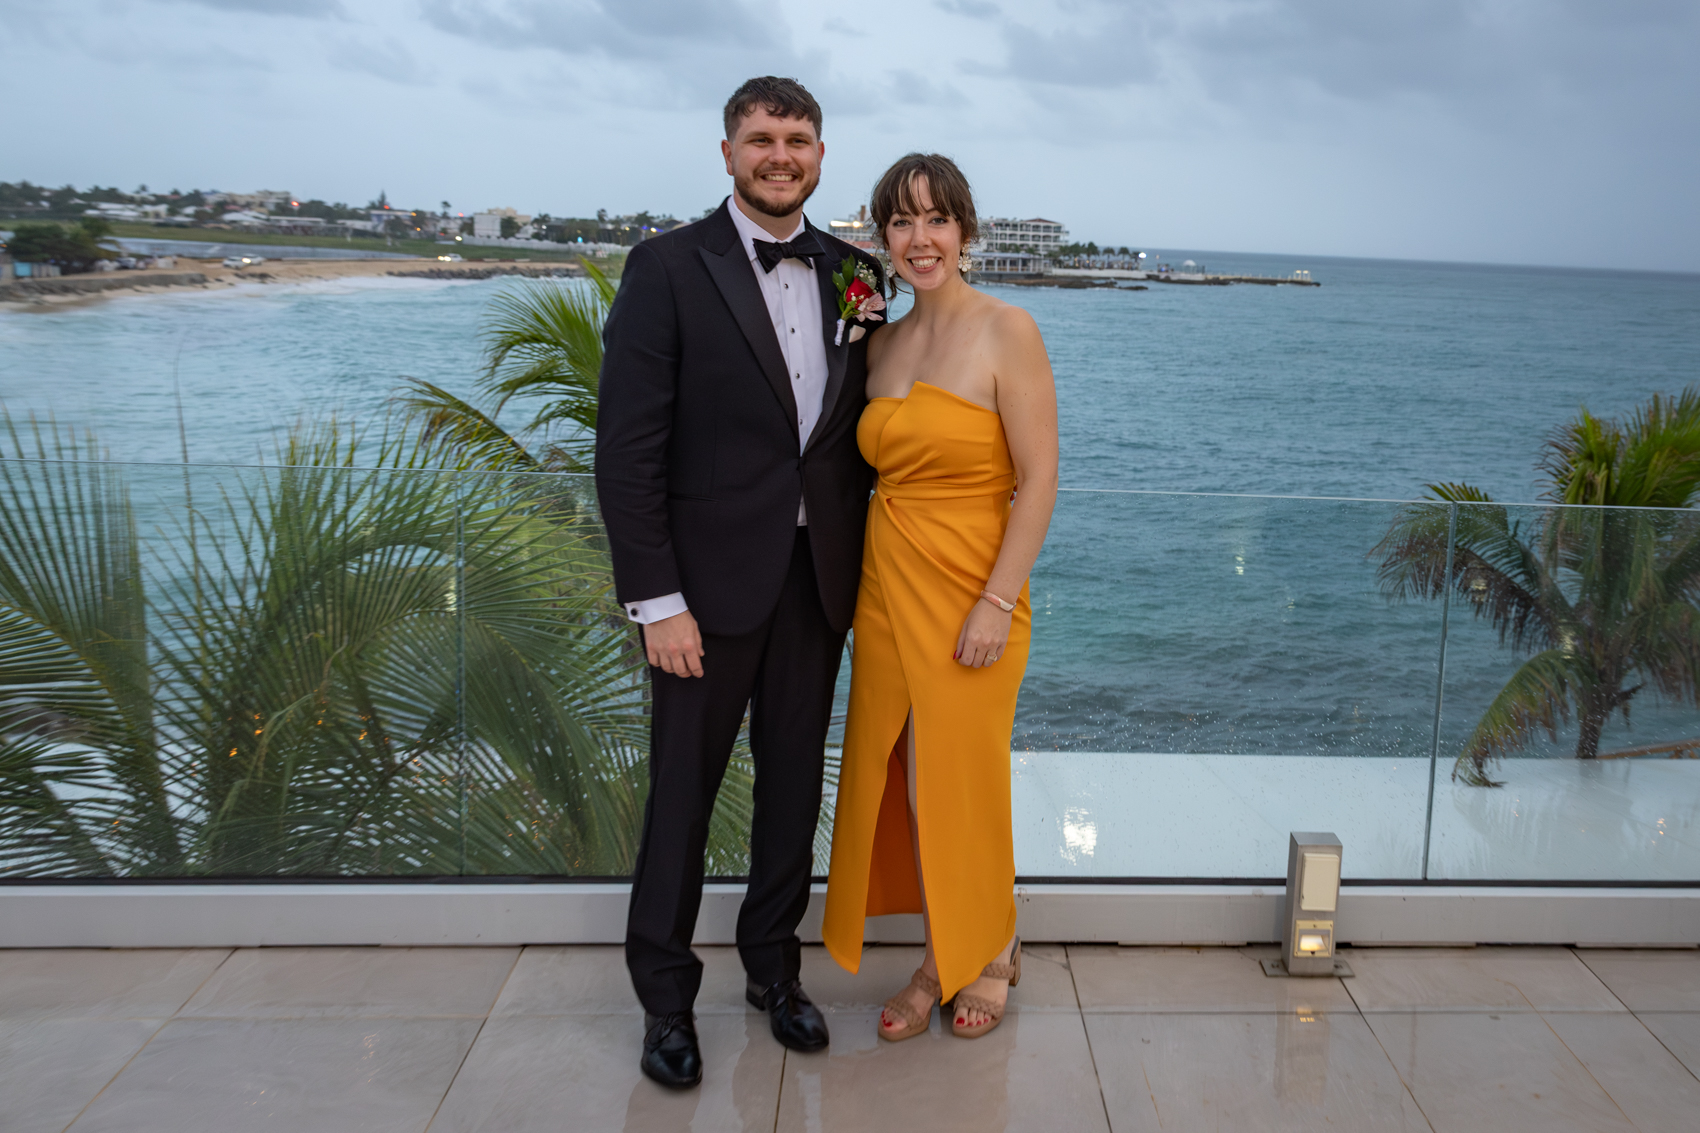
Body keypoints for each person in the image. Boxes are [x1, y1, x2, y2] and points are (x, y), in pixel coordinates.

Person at [594, 76, 883, 1090]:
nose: (780, 155)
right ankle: (665, 999)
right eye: (761, 138)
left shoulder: (854, 273)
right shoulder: (667, 266)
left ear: (820, 155)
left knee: (792, 790)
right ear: (727, 153)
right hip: (700, 599)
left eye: (797, 139)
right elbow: (627, 452)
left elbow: (854, 435)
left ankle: (774, 970)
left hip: (816, 584)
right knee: (681, 795)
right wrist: (657, 602)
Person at [821, 153, 1058, 1040]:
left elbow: (1039, 480)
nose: (919, 239)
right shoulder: (878, 343)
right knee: (903, 781)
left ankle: (970, 954)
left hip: (973, 591)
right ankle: (968, 939)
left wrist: (997, 601)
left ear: (965, 230)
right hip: (886, 589)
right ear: (882, 236)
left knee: (953, 780)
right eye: (901, 221)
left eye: (936, 219)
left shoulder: (1009, 330)